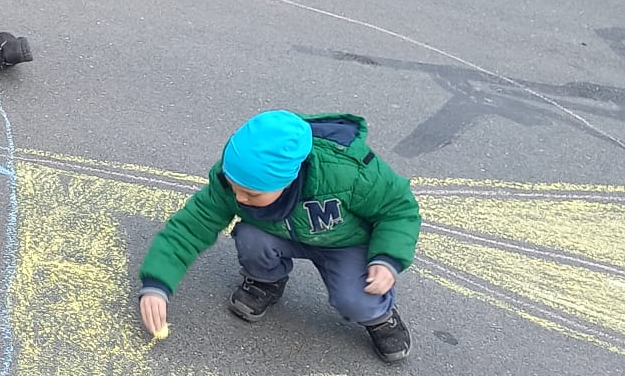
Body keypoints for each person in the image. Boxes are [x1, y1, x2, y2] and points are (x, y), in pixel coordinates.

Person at [136, 111, 418, 362]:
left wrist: (387, 259)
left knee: (357, 300)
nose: (239, 198)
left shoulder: (350, 173)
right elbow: (190, 227)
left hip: (344, 241)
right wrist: (157, 283)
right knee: (250, 236)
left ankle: (380, 317)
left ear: (289, 178)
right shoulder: (233, 178)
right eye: (235, 188)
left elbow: (398, 208)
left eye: (251, 194)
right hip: (278, 231)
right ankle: (266, 281)